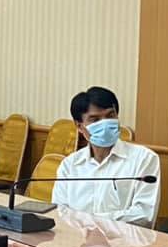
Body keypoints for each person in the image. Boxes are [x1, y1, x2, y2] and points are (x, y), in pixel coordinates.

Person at [52, 86, 160, 226]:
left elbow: (144, 215)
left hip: (124, 239)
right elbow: (60, 211)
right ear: (79, 126)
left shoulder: (144, 159)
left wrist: (90, 220)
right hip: (77, 237)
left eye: (110, 116)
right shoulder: (69, 165)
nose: (105, 124)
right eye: (95, 120)